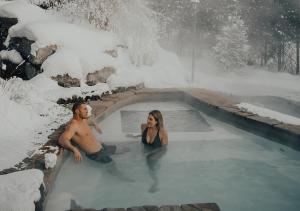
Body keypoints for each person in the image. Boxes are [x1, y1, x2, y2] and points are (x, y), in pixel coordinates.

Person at [140, 110, 168, 193]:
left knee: (150, 160)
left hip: (157, 151)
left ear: (157, 121)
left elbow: (164, 148)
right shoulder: (143, 127)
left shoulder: (162, 132)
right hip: (146, 151)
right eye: (148, 118)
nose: (148, 121)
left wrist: (152, 155)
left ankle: (156, 182)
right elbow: (142, 137)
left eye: (151, 119)